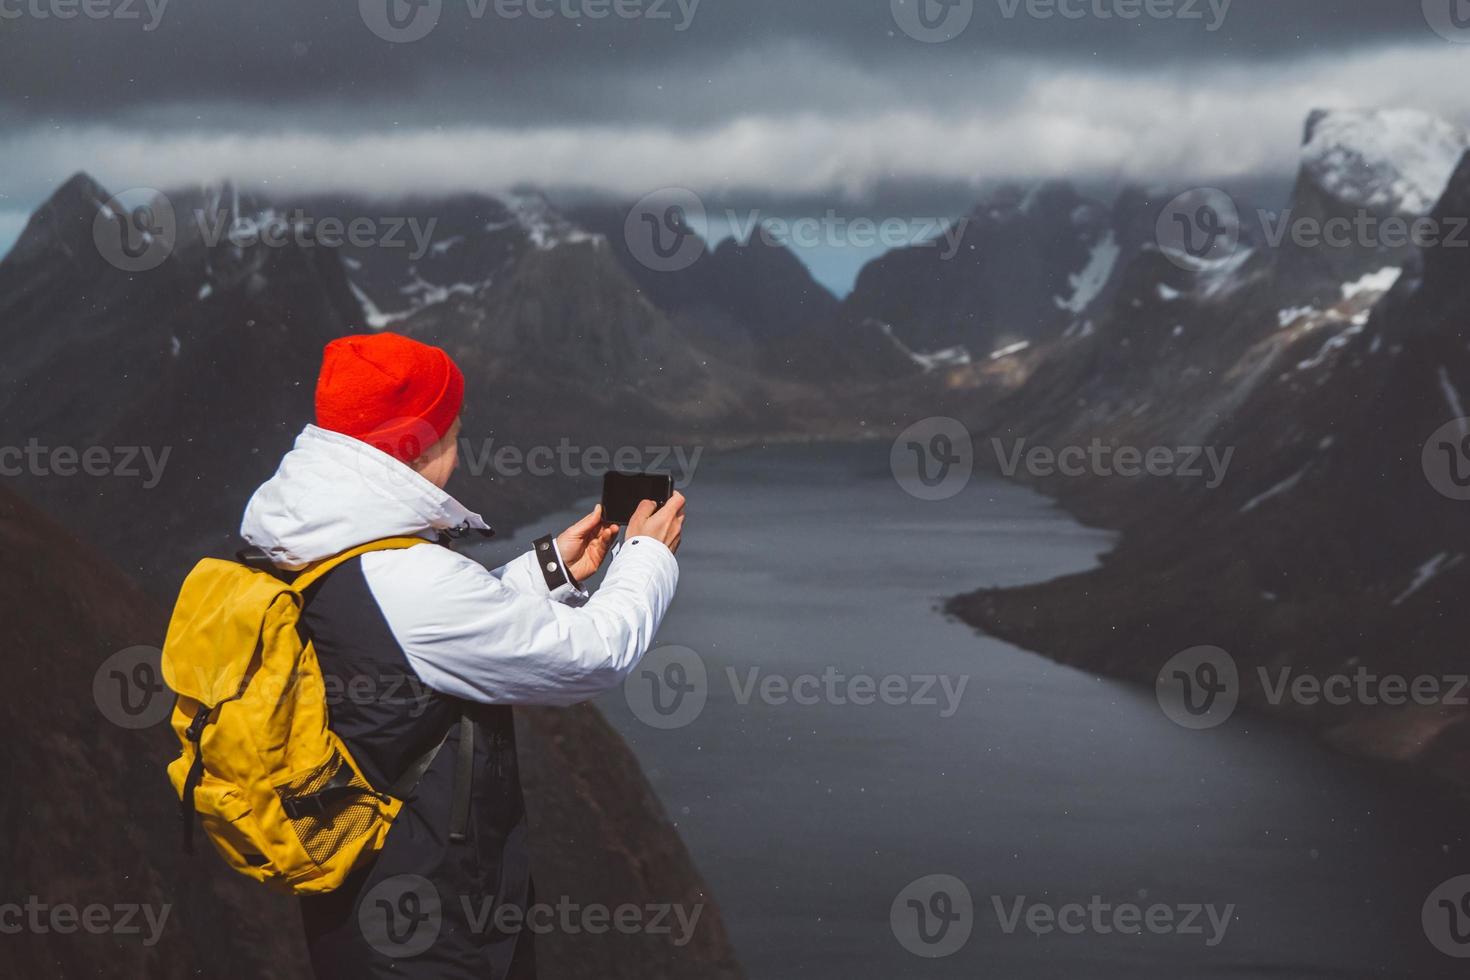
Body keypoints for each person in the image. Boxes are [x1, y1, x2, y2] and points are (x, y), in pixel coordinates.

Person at [238, 331, 686, 978]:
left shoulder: (310, 537)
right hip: (433, 929)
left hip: (363, 905)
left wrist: (552, 569)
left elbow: (407, 639)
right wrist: (647, 557)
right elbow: (595, 653)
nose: (460, 440)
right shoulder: (408, 579)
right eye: (452, 425)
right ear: (417, 442)